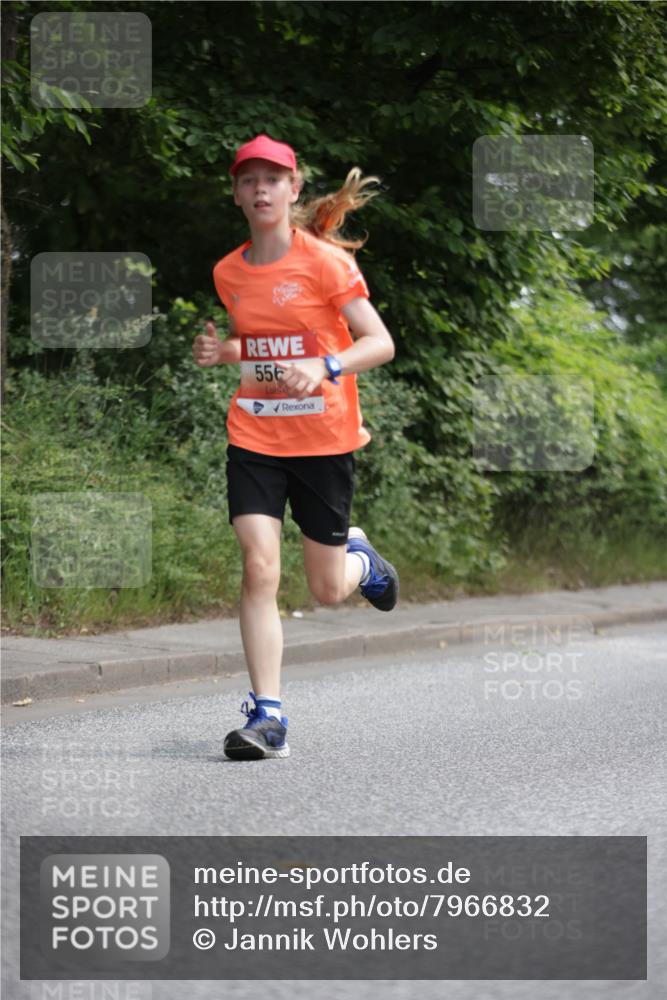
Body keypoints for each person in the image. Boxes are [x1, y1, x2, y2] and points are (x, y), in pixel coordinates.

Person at [192, 133, 398, 761]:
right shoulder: (229, 271)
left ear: (293, 189)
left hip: (323, 439)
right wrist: (222, 351)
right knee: (259, 566)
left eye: (272, 179)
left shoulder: (326, 263)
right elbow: (258, 344)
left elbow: (380, 342)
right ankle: (269, 717)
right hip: (254, 432)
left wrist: (329, 366)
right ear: (237, 193)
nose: (261, 189)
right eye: (249, 180)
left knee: (327, 591)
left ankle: (360, 558)